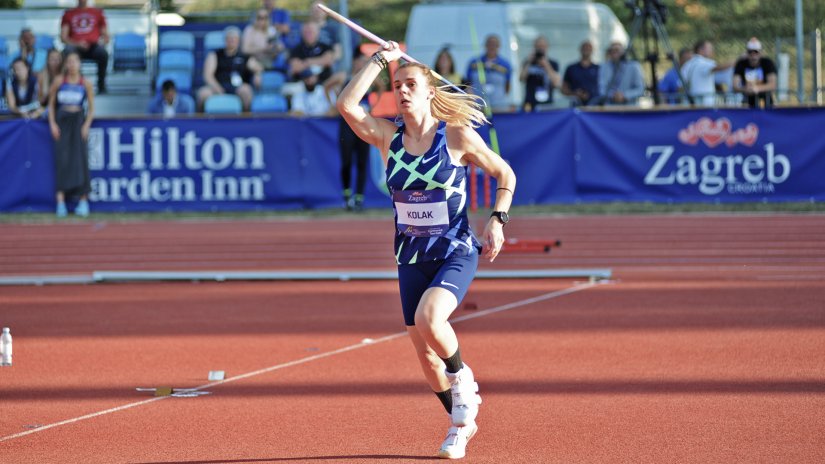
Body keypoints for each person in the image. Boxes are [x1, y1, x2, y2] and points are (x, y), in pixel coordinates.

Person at [337, 41, 516, 460]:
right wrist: (380, 60)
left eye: (411, 83)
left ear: (430, 90)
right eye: (396, 85)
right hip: (409, 256)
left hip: (454, 248)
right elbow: (347, 105)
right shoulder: (386, 137)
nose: (401, 90)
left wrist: (497, 218)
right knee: (427, 359)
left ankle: (464, 382)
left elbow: (503, 172)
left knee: (430, 319)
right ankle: (462, 422)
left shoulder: (454, 135)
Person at [47, 51, 94, 218]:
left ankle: (83, 201)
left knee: (81, 159)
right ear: (65, 64)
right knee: (62, 160)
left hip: (78, 122)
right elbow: (51, 105)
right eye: (69, 61)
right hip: (62, 123)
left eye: (75, 61)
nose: (72, 64)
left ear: (80, 64)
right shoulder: (59, 81)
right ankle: (60, 202)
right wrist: (52, 123)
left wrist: (86, 124)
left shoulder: (85, 83)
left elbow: (91, 108)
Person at [336, 47, 381, 211]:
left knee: (362, 161)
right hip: (347, 124)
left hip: (363, 121)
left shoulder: (369, 79)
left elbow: (381, 86)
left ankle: (359, 198)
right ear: (354, 61)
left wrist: (373, 106)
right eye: (360, 60)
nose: (362, 63)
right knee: (346, 161)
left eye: (365, 60)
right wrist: (333, 103)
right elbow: (328, 86)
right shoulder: (344, 76)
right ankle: (347, 196)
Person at [197, 26, 264, 112]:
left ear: (238, 40)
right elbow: (208, 76)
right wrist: (218, 89)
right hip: (218, 85)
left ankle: (246, 120)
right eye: (229, 38)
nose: (231, 40)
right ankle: (200, 122)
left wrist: (257, 74)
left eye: (234, 38)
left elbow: (258, 67)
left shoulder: (244, 56)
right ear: (225, 40)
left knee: (246, 91)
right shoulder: (214, 55)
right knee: (203, 94)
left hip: (238, 87)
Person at [60, 0, 109, 94]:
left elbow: (106, 37)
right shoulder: (69, 13)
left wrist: (100, 42)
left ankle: (101, 86)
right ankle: (76, 84)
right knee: (67, 51)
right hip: (75, 47)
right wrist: (77, 44)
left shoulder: (98, 12)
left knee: (103, 54)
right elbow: (63, 38)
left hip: (93, 46)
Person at [679, 39, 734, 106]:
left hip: (689, 105)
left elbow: (680, 86)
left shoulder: (687, 65)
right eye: (710, 48)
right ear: (701, 50)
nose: (712, 51)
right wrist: (737, 62)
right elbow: (720, 67)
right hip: (704, 105)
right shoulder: (704, 62)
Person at [465, 34, 513, 112]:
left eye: (494, 45)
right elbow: (468, 83)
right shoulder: (474, 62)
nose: (492, 47)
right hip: (478, 106)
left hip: (499, 106)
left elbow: (507, 86)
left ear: (499, 46)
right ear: (485, 45)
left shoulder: (505, 64)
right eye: (489, 44)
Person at [519, 35, 561, 111]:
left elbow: (556, 83)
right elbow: (521, 79)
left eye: (543, 46)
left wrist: (546, 66)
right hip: (530, 104)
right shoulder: (527, 62)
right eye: (538, 46)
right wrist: (529, 62)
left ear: (547, 47)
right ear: (534, 47)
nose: (540, 49)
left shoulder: (553, 63)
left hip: (547, 104)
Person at [733, 37, 777, 109]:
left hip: (766, 103)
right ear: (747, 52)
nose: (753, 55)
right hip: (747, 103)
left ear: (760, 52)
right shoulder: (741, 64)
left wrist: (757, 88)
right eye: (750, 52)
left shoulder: (767, 63)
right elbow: (735, 85)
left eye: (756, 52)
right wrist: (745, 89)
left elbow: (773, 84)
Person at [561, 40, 600, 107]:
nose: (586, 49)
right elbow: (563, 88)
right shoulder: (571, 68)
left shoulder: (598, 69)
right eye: (584, 47)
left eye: (588, 48)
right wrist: (574, 94)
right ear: (580, 49)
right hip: (576, 104)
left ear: (592, 50)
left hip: (595, 105)